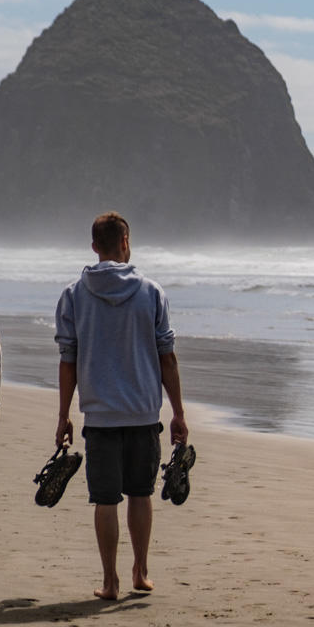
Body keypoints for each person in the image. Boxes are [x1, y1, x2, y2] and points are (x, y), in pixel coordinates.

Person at [55, 211, 187, 601]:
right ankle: (140, 572)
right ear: (126, 242)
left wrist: (63, 415)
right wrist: (177, 411)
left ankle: (110, 581)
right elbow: (168, 357)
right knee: (140, 493)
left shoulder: (74, 294)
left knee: (105, 499)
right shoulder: (151, 292)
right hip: (144, 412)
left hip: (99, 414)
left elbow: (68, 360)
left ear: (94, 247)